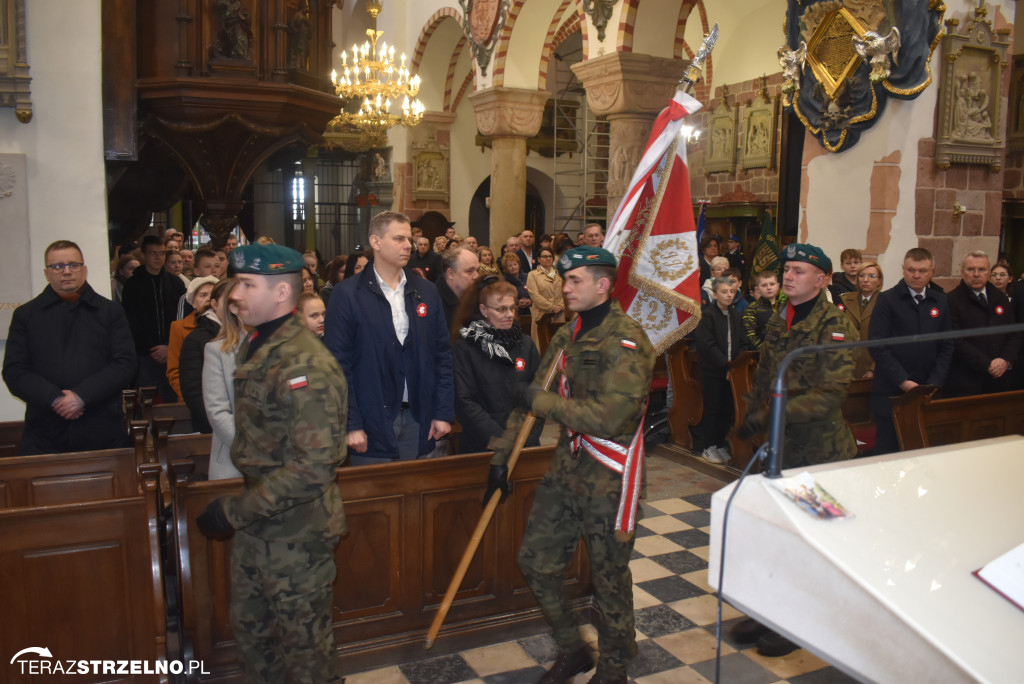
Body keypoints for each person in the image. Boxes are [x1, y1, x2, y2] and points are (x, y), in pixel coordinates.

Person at [486, 246, 655, 684]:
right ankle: (574, 648)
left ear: (603, 284)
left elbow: (612, 417)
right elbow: (531, 402)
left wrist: (542, 401)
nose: (565, 288)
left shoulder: (627, 340)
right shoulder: (568, 333)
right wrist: (503, 457)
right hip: (567, 470)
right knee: (536, 562)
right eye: (564, 280)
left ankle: (615, 666)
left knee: (608, 577)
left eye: (574, 280)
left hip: (609, 476)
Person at [195, 243, 347, 683]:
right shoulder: (257, 346)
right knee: (253, 637)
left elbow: (314, 467)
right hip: (260, 524)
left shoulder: (305, 364)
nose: (235, 294)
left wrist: (232, 512)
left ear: (282, 292)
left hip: (297, 532)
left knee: (305, 654)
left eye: (246, 284)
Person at [736, 242, 858, 657]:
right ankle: (770, 610)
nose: (788, 276)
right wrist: (754, 415)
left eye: (799, 270)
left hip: (818, 456)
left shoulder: (834, 327)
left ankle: (801, 621)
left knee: (812, 544)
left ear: (822, 279)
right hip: (778, 451)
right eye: (787, 269)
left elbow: (830, 396)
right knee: (774, 536)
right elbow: (766, 375)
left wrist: (772, 414)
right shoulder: (779, 319)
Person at [325, 211, 454, 464]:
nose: (408, 245)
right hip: (370, 420)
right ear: (376, 242)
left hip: (419, 417)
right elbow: (337, 366)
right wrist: (351, 423)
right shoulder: (348, 295)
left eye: (409, 239)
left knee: (415, 497)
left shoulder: (426, 291)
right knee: (376, 499)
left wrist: (443, 412)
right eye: (399, 239)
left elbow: (442, 356)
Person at [3, 240, 137, 455]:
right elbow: (14, 371)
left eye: (73, 265)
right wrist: (54, 398)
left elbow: (125, 363)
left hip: (102, 430)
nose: (66, 271)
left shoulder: (110, 312)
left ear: (84, 269)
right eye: (57, 266)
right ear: (46, 273)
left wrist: (81, 396)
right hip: (45, 434)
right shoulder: (26, 316)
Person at [868, 248, 953, 455]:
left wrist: (934, 383)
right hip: (891, 391)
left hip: (926, 391)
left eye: (922, 270)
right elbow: (877, 345)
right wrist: (904, 381)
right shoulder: (887, 300)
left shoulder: (940, 300)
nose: (916, 275)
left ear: (931, 271)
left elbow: (946, 345)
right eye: (911, 270)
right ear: (903, 270)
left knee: (922, 453)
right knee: (888, 453)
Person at [451, 277, 543, 453]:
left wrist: (526, 438)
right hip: (483, 446)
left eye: (512, 308)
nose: (509, 314)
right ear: (483, 310)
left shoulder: (526, 344)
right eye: (501, 309)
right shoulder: (465, 347)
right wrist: (500, 440)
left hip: (525, 445)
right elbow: (464, 401)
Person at [943, 251, 1019, 397]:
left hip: (999, 380)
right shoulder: (951, 300)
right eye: (971, 269)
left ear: (989, 272)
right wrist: (987, 364)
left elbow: (1013, 334)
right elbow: (956, 341)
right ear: (962, 271)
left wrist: (1005, 360)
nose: (976, 274)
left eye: (982, 269)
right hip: (966, 382)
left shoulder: (1000, 298)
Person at [121, 235, 187, 402]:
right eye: (153, 253)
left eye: (162, 253)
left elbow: (181, 318)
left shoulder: (176, 283)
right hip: (144, 353)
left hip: (171, 350)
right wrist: (152, 347)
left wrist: (169, 346)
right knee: (146, 399)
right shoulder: (133, 285)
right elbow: (131, 321)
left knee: (173, 398)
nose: (158, 257)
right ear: (143, 256)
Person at [694, 277, 749, 464]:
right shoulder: (708, 316)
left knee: (727, 409)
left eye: (732, 292)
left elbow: (742, 342)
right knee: (713, 408)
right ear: (715, 294)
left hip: (732, 372)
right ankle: (709, 446)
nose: (728, 295)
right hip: (714, 371)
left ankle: (721, 444)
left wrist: (736, 363)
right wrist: (725, 364)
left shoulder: (736, 316)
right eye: (724, 292)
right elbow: (706, 345)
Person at [203, 278, 245, 480]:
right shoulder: (217, 350)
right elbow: (217, 410)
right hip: (233, 462)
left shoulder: (279, 346)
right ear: (234, 308)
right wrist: (250, 448)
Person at [179, 278, 230, 434]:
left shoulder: (248, 334)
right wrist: (225, 427)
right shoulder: (198, 339)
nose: (234, 308)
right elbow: (194, 392)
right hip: (214, 429)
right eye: (228, 301)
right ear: (214, 304)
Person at [166, 275, 218, 402]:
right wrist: (191, 399)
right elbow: (174, 371)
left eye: (212, 295)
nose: (208, 299)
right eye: (203, 295)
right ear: (193, 302)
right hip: (192, 400)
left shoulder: (232, 325)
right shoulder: (178, 327)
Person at [839, 262, 883, 378]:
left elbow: (889, 339)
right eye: (862, 275)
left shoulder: (886, 302)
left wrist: (875, 368)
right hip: (846, 367)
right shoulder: (844, 299)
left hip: (872, 368)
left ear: (879, 280)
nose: (865, 280)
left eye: (872, 276)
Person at [525, 247, 565, 346]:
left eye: (550, 256)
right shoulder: (533, 274)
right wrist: (552, 307)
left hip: (559, 314)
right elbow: (535, 296)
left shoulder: (559, 274)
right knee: (541, 345)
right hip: (541, 315)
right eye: (544, 256)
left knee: (558, 346)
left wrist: (560, 306)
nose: (548, 259)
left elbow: (565, 293)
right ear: (539, 259)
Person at [436, 247, 480, 332]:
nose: (476, 276)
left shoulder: (477, 296)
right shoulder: (434, 303)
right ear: (451, 273)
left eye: (477, 270)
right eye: (469, 271)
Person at [742, 270, 782, 351]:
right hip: (762, 356)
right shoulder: (752, 309)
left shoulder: (785, 307)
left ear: (778, 286)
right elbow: (750, 336)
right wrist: (765, 352)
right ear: (757, 289)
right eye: (764, 285)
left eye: (772, 284)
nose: (769, 288)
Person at [177, 247, 220, 319]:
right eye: (207, 266)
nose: (214, 270)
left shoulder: (227, 294)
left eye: (217, 266)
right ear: (196, 271)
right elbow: (181, 326)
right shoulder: (187, 297)